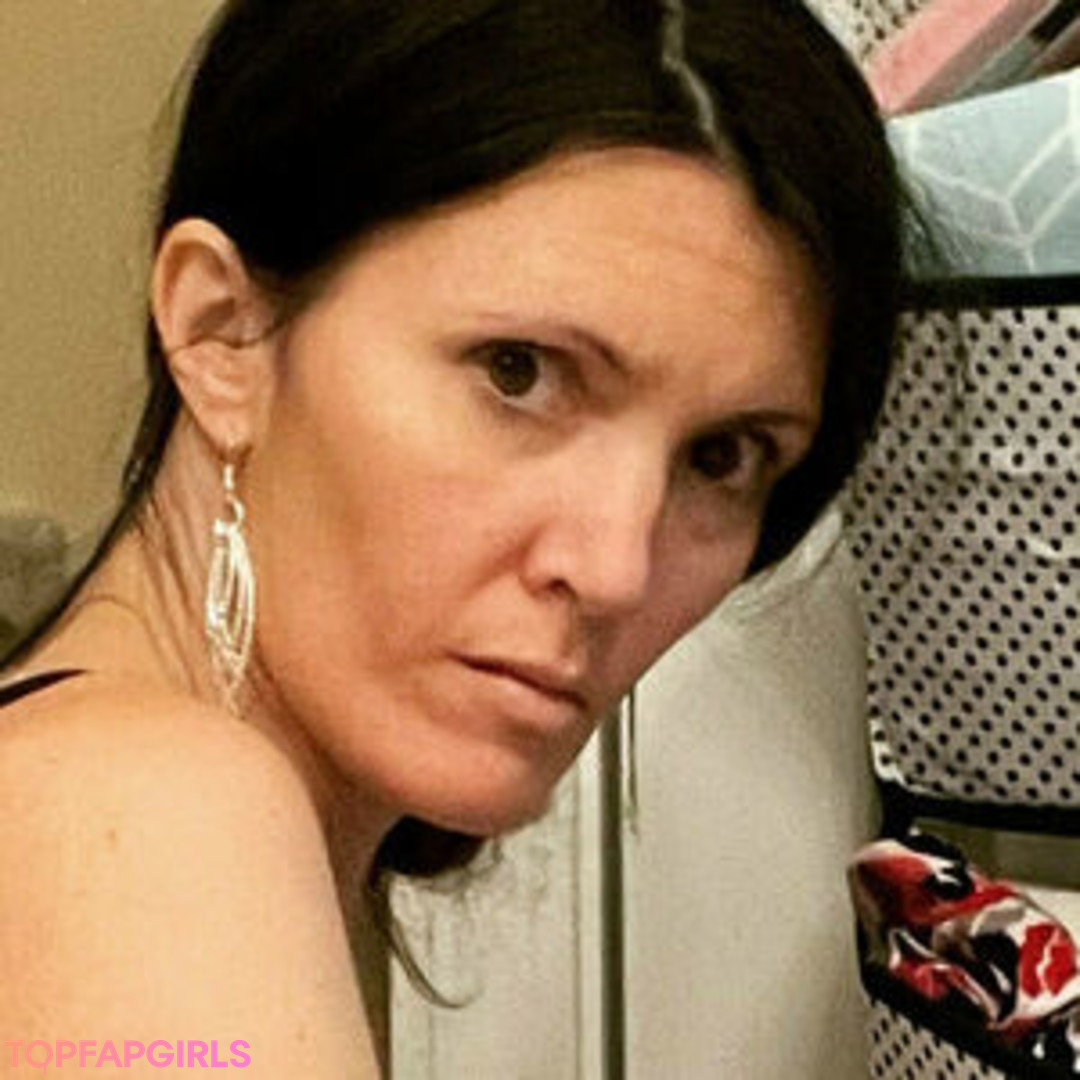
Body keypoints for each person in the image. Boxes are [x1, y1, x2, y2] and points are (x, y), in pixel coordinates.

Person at [0, 1, 904, 1076]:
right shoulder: (148, 819)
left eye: (721, 456)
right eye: (518, 373)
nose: (617, 568)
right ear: (222, 331)